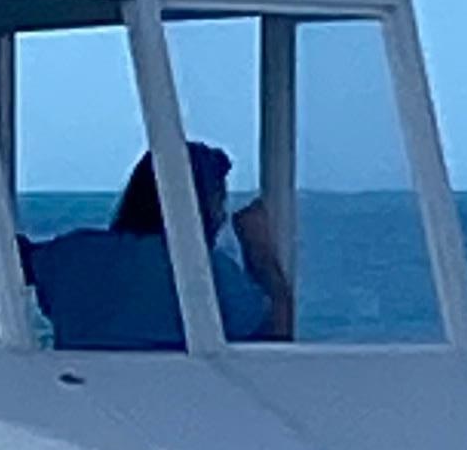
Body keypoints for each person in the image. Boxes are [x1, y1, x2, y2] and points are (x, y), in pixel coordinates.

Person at [22, 143, 280, 349]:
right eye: (219, 202)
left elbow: (12, 260)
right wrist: (259, 250)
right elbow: (276, 340)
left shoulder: (72, 256)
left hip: (81, 400)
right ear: (199, 207)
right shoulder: (212, 274)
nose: (222, 216)